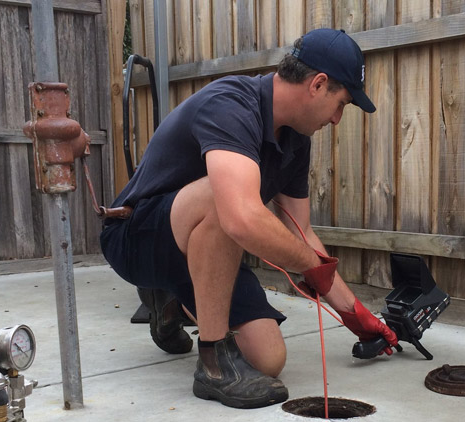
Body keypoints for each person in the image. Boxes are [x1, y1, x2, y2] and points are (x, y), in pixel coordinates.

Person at [100, 28, 398, 409]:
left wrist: (354, 313)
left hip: (204, 244)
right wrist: (310, 265)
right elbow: (240, 218)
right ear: (318, 84)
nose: (338, 118)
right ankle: (213, 366)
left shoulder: (296, 141)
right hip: (136, 237)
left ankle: (171, 301)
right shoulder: (230, 104)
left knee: (269, 359)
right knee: (225, 199)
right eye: (341, 103)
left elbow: (301, 231)